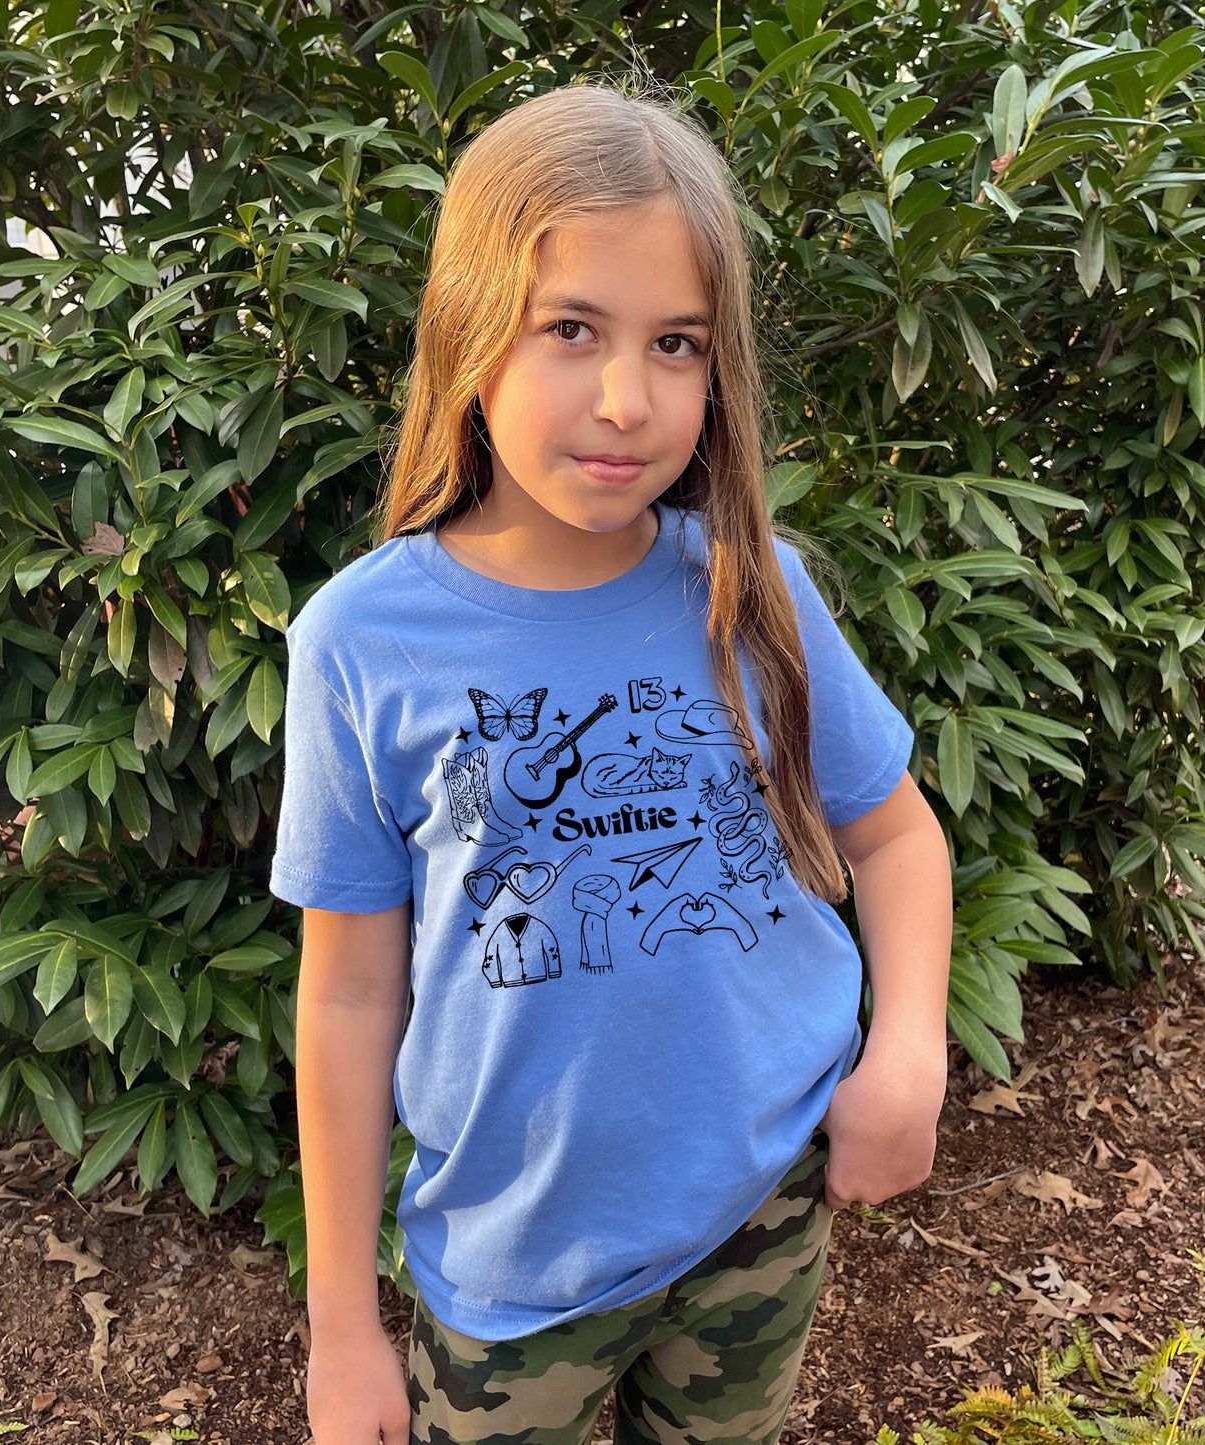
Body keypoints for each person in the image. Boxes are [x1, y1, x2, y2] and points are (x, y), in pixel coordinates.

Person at [269, 75, 953, 1445]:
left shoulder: (750, 586)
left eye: (679, 344)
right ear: (472, 330)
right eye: (571, 329)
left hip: (757, 1208)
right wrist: (344, 1328)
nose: (627, 398)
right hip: (512, 1272)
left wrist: (909, 1047)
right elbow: (346, 1002)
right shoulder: (361, 640)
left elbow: (895, 835)